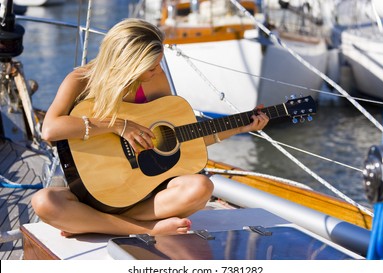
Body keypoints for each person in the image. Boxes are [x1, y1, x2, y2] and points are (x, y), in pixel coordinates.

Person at [31, 18, 269, 237]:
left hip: (140, 197)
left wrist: (239, 127)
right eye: (151, 66)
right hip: (89, 193)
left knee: (201, 187)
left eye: (157, 64)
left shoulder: (155, 80)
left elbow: (179, 138)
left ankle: (93, 223)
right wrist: (118, 125)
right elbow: (50, 129)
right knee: (44, 202)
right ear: (127, 63)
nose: (157, 70)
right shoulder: (81, 80)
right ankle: (145, 228)